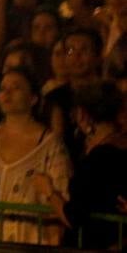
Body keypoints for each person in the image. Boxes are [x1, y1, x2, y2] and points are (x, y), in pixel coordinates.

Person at [0, 67, 69, 246]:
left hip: (29, 238)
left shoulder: (50, 145)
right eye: (3, 89)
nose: (7, 93)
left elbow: (62, 196)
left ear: (33, 98)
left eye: (16, 87)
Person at [37, 81, 127, 249]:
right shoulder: (120, 148)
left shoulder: (97, 160)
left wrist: (48, 191)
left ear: (83, 115)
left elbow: (74, 217)